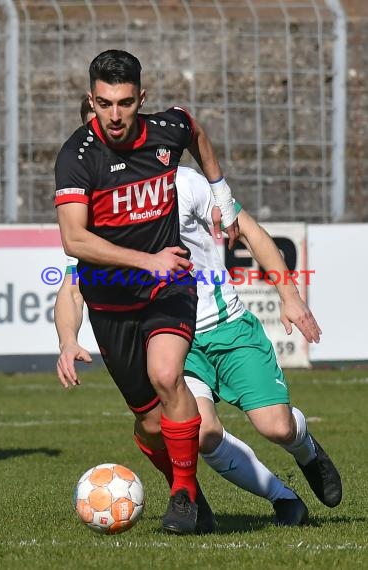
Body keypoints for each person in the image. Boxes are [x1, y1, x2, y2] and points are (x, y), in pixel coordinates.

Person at [75, 100, 342, 513]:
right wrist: (66, 337)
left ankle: (305, 447)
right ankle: (283, 498)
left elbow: (250, 231)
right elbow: (76, 280)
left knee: (276, 427)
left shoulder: (183, 181)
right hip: (171, 336)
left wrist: (289, 296)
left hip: (227, 326)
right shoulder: (89, 200)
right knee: (201, 433)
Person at [54, 49, 239, 535]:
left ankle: (179, 494)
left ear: (142, 98)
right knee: (152, 423)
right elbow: (74, 240)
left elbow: (194, 129)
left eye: (125, 103)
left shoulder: (167, 129)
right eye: (103, 103)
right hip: (111, 300)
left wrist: (222, 195)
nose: (114, 116)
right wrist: (70, 338)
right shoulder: (76, 157)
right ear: (90, 99)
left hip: (168, 284)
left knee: (166, 374)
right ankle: (193, 498)